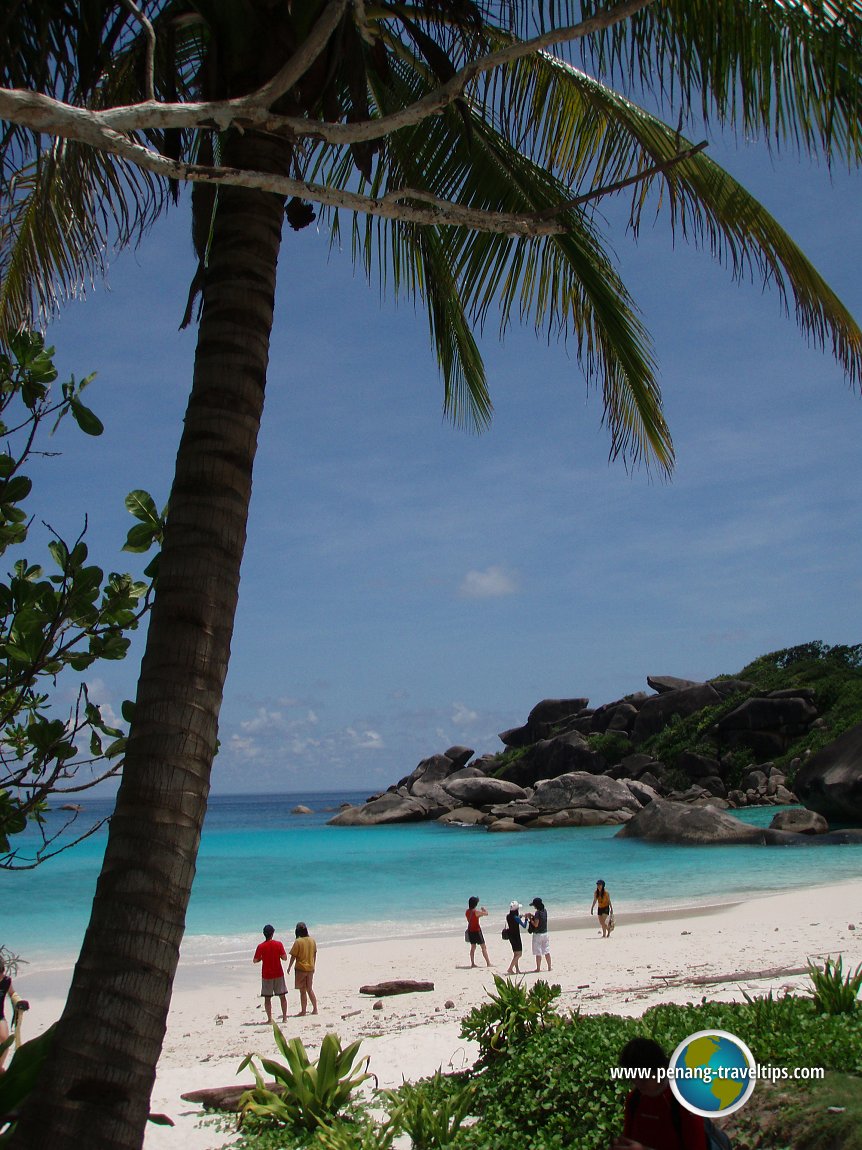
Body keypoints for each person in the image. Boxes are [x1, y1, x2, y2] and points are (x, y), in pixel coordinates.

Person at [610, 1037, 707, 1150]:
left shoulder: (684, 1101)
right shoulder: (635, 1099)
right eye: (632, 1078)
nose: (638, 1084)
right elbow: (629, 1139)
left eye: (644, 1079)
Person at [252, 924, 288, 1024]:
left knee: (267, 998)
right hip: (278, 973)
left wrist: (262, 958)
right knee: (282, 996)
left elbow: (255, 960)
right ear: (272, 933)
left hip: (267, 975)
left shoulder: (261, 946)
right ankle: (284, 1018)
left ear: (264, 934)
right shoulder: (279, 944)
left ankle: (269, 1019)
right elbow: (284, 958)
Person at [0, 957, 29, 1073]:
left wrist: (19, 1001)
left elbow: (12, 993)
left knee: (5, 1040)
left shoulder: (6, 981)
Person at [287, 921, 318, 1016]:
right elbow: (314, 954)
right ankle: (315, 1009)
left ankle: (304, 1011)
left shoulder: (298, 941)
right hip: (310, 968)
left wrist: (289, 967)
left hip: (301, 968)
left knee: (302, 991)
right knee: (310, 989)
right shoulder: (312, 940)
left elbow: (293, 956)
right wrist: (313, 965)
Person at [465, 895, 492, 968]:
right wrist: (483, 909)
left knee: (473, 947)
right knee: (483, 947)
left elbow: (473, 918)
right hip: (477, 931)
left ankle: (472, 963)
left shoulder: (467, 912)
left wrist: (480, 915)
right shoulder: (476, 912)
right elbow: (486, 913)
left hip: (471, 931)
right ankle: (488, 963)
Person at [527, 896, 551, 972]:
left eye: (534, 905)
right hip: (545, 933)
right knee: (546, 951)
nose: (533, 906)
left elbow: (536, 924)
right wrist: (532, 916)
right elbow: (541, 919)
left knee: (538, 952)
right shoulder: (545, 911)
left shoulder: (537, 913)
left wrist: (530, 919)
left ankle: (538, 968)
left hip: (538, 935)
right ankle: (549, 967)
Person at [504, 900, 526, 974]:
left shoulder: (508, 916)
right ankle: (510, 968)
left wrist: (520, 917)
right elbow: (524, 925)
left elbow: (514, 919)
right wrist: (526, 919)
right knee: (519, 954)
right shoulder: (516, 918)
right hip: (516, 936)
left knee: (515, 954)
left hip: (511, 936)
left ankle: (517, 970)